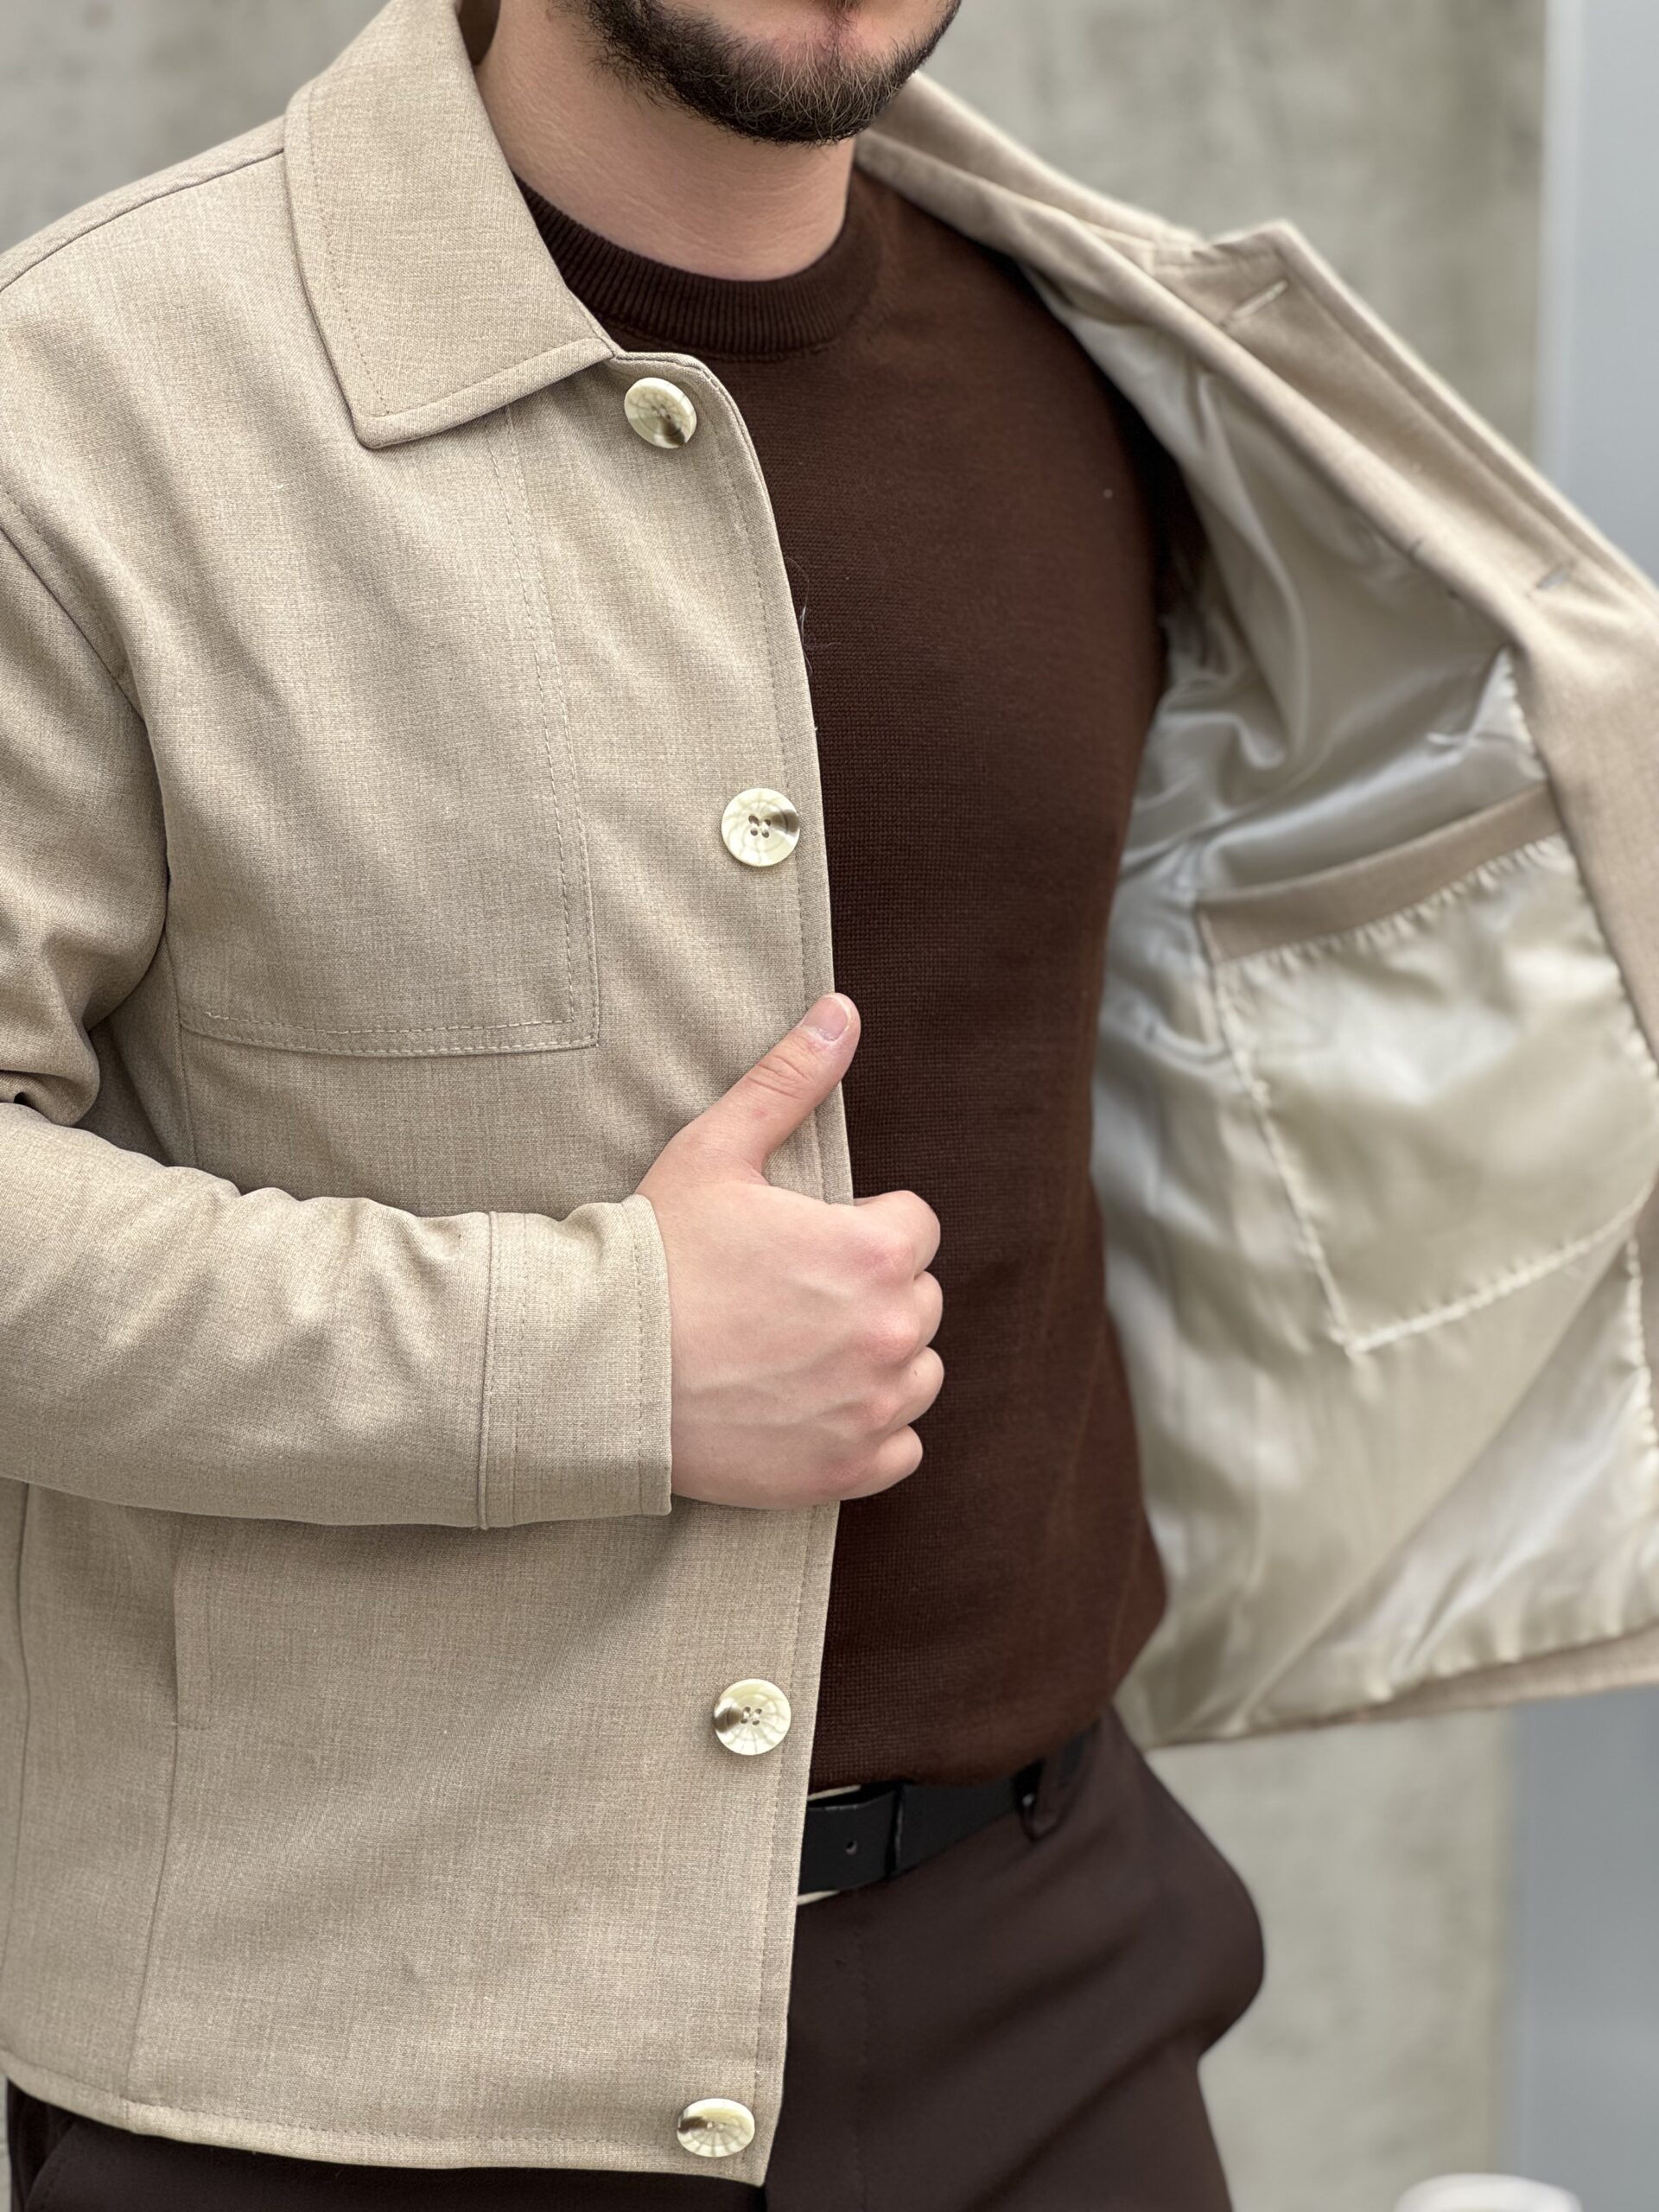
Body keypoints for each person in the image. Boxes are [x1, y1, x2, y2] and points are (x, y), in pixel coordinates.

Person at [3, 0, 1659, 2204]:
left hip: (1056, 1976)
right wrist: (601, 1350)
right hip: (345, 2062)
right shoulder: (94, 401)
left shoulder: (1110, 361)